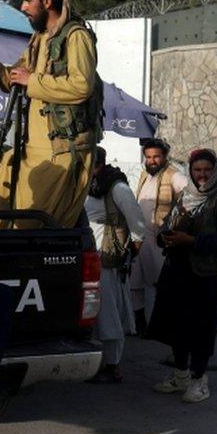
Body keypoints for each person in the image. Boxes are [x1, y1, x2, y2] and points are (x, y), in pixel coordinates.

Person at [0, 0, 101, 229]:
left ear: (47, 2)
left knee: (30, 227)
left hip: (61, 151)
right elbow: (13, 80)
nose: (22, 7)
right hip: (33, 148)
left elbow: (82, 86)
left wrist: (32, 80)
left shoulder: (75, 36)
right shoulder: (40, 39)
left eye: (28, 1)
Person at [150, 148, 217, 403]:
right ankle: (181, 375)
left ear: (215, 171)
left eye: (206, 170)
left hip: (205, 276)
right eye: (197, 170)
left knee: (201, 327)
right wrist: (165, 237)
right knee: (177, 324)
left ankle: (200, 379)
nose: (201, 175)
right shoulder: (184, 197)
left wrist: (191, 240)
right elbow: (166, 227)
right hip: (178, 270)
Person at [84, 148, 147, 384]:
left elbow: (137, 221)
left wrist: (134, 247)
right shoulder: (85, 184)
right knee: (93, 312)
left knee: (108, 312)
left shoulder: (116, 187)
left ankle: (113, 366)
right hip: (89, 256)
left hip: (107, 258)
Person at [130, 138, 188, 334]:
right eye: (148, 157)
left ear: (164, 157)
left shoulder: (174, 176)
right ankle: (140, 325)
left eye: (156, 157)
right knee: (134, 282)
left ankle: (159, 327)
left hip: (158, 238)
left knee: (160, 284)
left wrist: (180, 220)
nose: (152, 161)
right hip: (139, 237)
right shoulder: (145, 175)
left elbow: (191, 195)